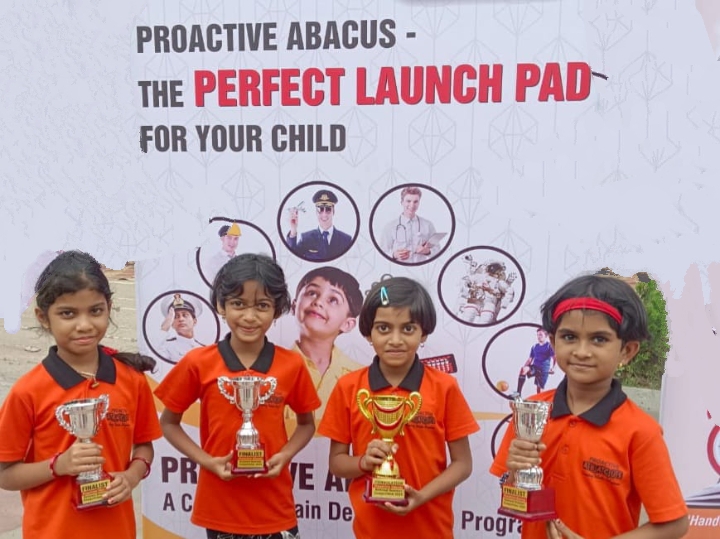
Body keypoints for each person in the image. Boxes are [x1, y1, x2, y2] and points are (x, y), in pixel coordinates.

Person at [490, 274, 689, 539]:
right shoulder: (530, 412)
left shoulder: (640, 431)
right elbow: (514, 498)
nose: (582, 351)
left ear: (627, 351)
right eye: (569, 336)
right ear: (553, 342)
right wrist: (514, 472)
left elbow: (674, 524)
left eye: (599, 339)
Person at [154, 253, 321, 539]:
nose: (249, 316)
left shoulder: (291, 364)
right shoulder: (198, 362)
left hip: (275, 506)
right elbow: (169, 423)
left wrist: (285, 455)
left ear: (277, 309)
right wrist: (207, 461)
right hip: (220, 506)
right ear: (221, 305)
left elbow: (307, 424)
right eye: (238, 304)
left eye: (262, 305)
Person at [0, 250, 162, 538]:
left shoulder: (132, 380)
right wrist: (58, 465)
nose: (84, 324)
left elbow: (144, 446)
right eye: (68, 313)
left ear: (109, 307)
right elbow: (5, 474)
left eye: (95, 311)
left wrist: (131, 475)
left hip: (116, 531)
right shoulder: (28, 391)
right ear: (43, 317)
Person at [318, 277, 479, 539]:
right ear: (368, 333)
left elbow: (463, 464)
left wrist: (421, 496)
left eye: (408, 328)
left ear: (423, 333)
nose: (395, 340)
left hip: (432, 530)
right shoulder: (349, 387)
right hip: (371, 531)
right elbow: (337, 463)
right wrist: (364, 462)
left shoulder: (444, 387)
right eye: (383, 328)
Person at [285, 266, 364, 431]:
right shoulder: (273, 371)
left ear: (348, 324)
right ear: (294, 305)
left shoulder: (360, 379)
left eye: (333, 300)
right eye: (312, 293)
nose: (318, 302)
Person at [379, 186, 442, 263]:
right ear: (402, 202)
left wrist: (427, 251)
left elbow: (437, 250)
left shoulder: (428, 225)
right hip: (398, 268)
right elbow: (382, 251)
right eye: (408, 201)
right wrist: (394, 255)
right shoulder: (390, 226)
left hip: (421, 267)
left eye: (415, 202)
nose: (412, 205)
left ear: (419, 203)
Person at [286, 189, 353, 261]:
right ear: (316, 212)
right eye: (320, 209)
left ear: (333, 211)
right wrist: (293, 229)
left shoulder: (346, 240)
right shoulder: (306, 238)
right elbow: (293, 258)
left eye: (328, 209)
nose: (324, 214)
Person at [158, 293, 205, 363]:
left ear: (194, 321)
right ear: (172, 324)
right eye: (176, 316)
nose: (181, 319)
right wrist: (164, 328)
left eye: (185, 315)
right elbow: (155, 363)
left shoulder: (203, 349)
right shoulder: (166, 347)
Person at [515, 328, 556, 396]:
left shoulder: (549, 346)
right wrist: (524, 368)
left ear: (546, 336)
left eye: (540, 335)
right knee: (524, 369)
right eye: (538, 335)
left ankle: (541, 400)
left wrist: (554, 368)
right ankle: (518, 394)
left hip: (543, 370)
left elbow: (555, 358)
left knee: (539, 391)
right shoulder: (534, 347)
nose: (539, 337)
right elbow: (530, 359)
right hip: (535, 367)